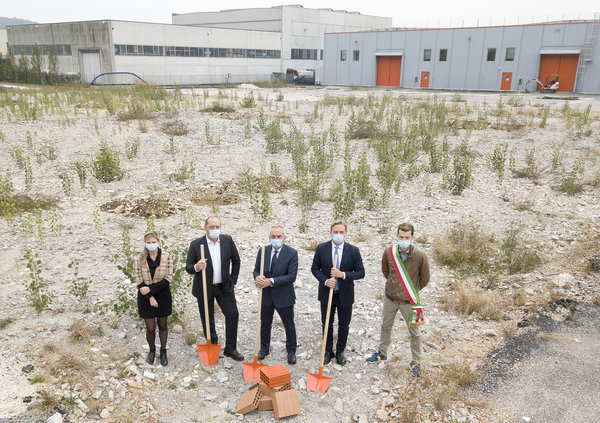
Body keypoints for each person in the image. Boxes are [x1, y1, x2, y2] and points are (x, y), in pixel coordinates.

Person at [366, 222, 430, 377]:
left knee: (415, 332)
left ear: (412, 237)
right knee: (385, 325)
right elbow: (385, 271)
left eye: (407, 237)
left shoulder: (420, 256)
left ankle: (416, 361)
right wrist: (395, 286)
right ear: (397, 236)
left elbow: (425, 279)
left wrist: (410, 290)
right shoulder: (389, 252)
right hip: (390, 299)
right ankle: (382, 352)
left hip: (409, 301)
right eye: (401, 236)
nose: (404, 239)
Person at [186, 216, 244, 361]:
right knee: (207, 318)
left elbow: (236, 261)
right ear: (205, 228)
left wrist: (233, 280)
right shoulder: (196, 244)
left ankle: (230, 348)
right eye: (212, 227)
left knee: (233, 314)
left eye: (217, 227)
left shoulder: (227, 241)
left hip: (224, 286)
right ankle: (213, 345)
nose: (215, 230)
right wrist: (197, 267)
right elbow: (188, 268)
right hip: (204, 288)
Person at [311, 220, 365, 366]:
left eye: (341, 232)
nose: (338, 235)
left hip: (345, 294)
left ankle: (340, 351)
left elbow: (361, 272)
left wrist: (343, 275)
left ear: (346, 233)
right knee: (327, 323)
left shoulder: (353, 251)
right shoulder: (322, 248)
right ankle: (328, 350)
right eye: (336, 232)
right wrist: (325, 281)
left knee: (344, 324)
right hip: (326, 293)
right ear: (331, 232)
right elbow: (315, 269)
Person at [253, 226, 299, 365]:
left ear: (284, 238)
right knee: (265, 323)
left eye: (279, 236)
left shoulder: (291, 253)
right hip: (266, 295)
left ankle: (291, 351)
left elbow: (291, 276)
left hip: (284, 296)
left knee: (288, 324)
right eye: (273, 236)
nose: (276, 239)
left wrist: (271, 281)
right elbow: (256, 269)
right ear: (269, 237)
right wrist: (257, 278)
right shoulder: (263, 251)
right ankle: (264, 348)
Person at [135, 231, 173, 367]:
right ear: (145, 243)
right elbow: (139, 280)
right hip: (145, 297)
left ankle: (163, 351)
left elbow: (168, 278)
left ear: (158, 242)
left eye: (153, 242)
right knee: (150, 327)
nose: (151, 245)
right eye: (149, 242)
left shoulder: (166, 256)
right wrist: (150, 297)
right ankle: (152, 350)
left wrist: (151, 289)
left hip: (163, 294)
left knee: (163, 325)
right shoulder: (140, 258)